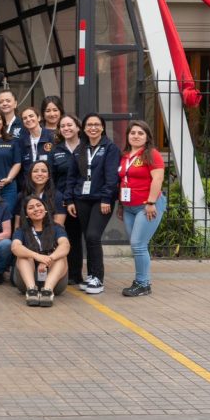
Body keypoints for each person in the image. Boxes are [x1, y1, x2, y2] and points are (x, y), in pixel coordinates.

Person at [67, 113, 121, 295]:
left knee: (93, 236)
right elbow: (72, 177)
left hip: (100, 200)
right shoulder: (80, 149)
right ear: (84, 128)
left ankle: (98, 278)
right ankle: (90, 275)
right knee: (87, 237)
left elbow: (112, 177)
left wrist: (107, 198)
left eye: (97, 124)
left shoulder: (110, 148)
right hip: (81, 199)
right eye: (89, 124)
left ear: (103, 127)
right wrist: (69, 200)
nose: (93, 128)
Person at [118, 120, 166, 297]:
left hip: (147, 206)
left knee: (138, 245)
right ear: (128, 136)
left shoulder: (152, 154)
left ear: (147, 137)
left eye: (140, 133)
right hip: (129, 207)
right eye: (132, 133)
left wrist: (151, 202)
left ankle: (143, 283)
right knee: (137, 245)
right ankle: (141, 280)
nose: (136, 136)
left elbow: (157, 179)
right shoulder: (125, 156)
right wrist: (121, 206)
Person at [11, 196, 70, 307]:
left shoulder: (56, 228)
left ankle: (47, 291)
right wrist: (37, 256)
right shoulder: (22, 230)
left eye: (39, 205)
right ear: (26, 214)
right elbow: (15, 247)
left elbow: (65, 245)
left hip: (55, 283)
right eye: (31, 207)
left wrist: (49, 259)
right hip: (26, 282)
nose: (36, 209)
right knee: (23, 255)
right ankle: (31, 291)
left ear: (45, 209)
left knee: (61, 256)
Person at [51, 114, 84, 284]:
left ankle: (79, 274)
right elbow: (52, 177)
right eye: (62, 126)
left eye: (69, 125)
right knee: (69, 236)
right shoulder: (56, 150)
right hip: (64, 200)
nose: (66, 128)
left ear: (78, 127)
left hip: (83, 199)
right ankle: (69, 274)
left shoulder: (86, 147)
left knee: (83, 237)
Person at [17, 160, 67, 227]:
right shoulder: (22, 196)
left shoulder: (58, 196)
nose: (40, 174)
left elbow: (58, 226)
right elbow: (17, 226)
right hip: (27, 235)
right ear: (30, 175)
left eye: (44, 171)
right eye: (35, 171)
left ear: (48, 176)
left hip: (51, 235)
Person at [17, 106, 55, 187]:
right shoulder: (21, 141)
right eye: (25, 118)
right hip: (28, 187)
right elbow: (21, 167)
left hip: (49, 186)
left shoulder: (51, 137)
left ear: (39, 118)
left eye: (31, 116)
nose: (28, 119)